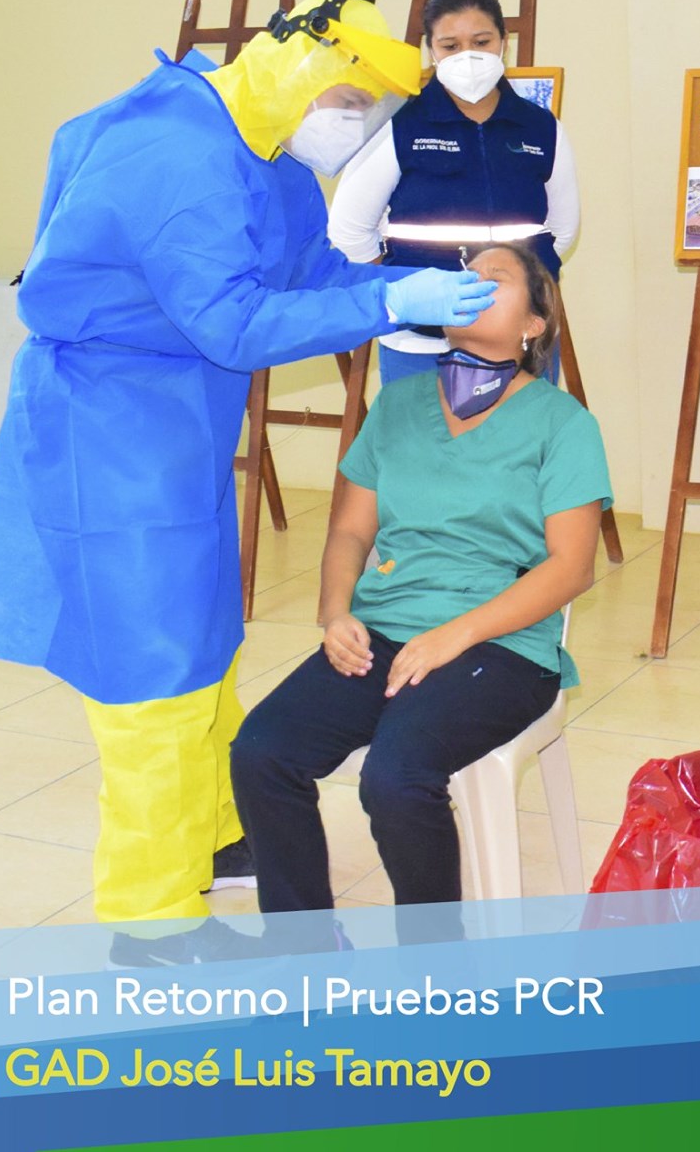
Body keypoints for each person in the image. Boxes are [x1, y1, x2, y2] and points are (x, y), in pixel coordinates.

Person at [0, 0, 499, 962]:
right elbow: (233, 322)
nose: (350, 125)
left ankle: (214, 834)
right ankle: (149, 924)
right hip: (110, 437)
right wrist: (387, 306)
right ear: (301, 66)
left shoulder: (262, 148)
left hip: (174, 431)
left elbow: (308, 276)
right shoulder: (178, 153)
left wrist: (403, 285)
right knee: (148, 680)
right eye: (348, 102)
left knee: (201, 642)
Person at [231, 243, 609, 915]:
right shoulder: (398, 404)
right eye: (465, 276)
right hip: (384, 631)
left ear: (534, 325)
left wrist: (452, 637)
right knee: (262, 752)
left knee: (396, 778)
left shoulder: (563, 423)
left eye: (495, 278)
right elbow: (350, 531)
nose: (472, 284)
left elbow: (572, 565)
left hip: (501, 646)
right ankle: (304, 949)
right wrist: (336, 614)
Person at [328, 0, 580, 385]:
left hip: (521, 344)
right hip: (420, 347)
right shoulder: (397, 125)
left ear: (503, 43)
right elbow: (349, 232)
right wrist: (409, 292)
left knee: (525, 430)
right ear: (431, 50)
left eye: (481, 42)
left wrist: (512, 296)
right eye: (450, 46)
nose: (468, 56)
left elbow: (561, 233)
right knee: (421, 430)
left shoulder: (541, 128)